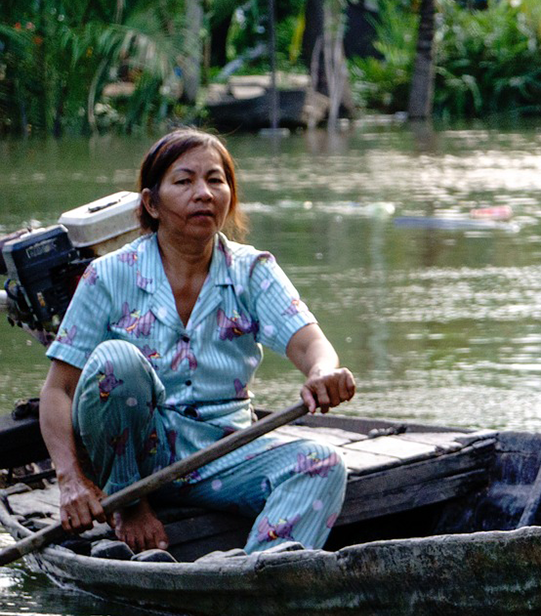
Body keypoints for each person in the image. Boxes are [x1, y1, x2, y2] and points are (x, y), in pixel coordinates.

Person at [41, 128, 356, 556]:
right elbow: (58, 390)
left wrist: (323, 372)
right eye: (184, 181)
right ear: (152, 203)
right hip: (134, 462)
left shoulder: (252, 270)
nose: (204, 193)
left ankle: (258, 573)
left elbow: (309, 345)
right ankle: (131, 506)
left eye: (215, 180)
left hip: (225, 452)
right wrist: (71, 481)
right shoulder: (109, 275)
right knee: (118, 362)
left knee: (324, 463)